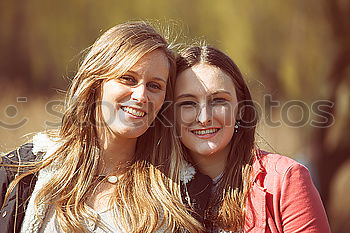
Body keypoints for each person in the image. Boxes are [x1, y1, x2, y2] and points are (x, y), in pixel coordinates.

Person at [0, 22, 202, 233]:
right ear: (96, 83)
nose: (141, 96)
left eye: (154, 86)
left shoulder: (183, 191)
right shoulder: (24, 172)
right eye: (128, 79)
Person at [175, 46, 331, 232]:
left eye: (218, 100)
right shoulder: (151, 189)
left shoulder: (285, 180)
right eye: (188, 103)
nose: (204, 118)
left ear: (241, 108)